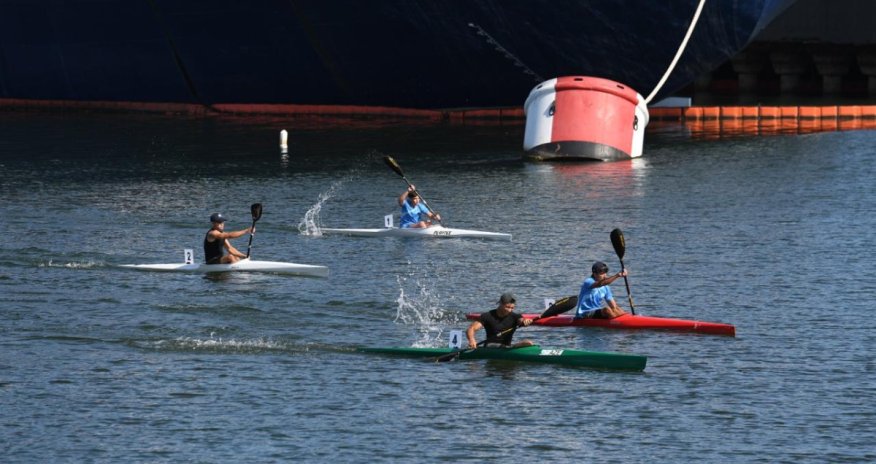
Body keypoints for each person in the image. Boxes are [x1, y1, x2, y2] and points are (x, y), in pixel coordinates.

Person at [465, 293, 534, 349]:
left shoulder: (515, 316)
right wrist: (472, 340)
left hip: (506, 347)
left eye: (512, 308)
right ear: (500, 303)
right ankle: (513, 347)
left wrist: (525, 321)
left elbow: (521, 320)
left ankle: (511, 348)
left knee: (528, 342)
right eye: (507, 307)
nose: (509, 310)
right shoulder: (487, 316)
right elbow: (471, 329)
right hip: (490, 346)